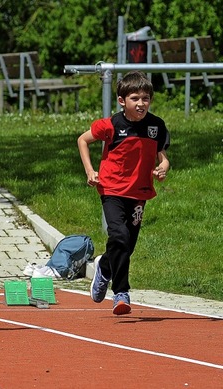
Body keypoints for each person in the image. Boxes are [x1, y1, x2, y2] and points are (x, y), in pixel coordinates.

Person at [77, 70, 170, 316]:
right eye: (135, 99)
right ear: (122, 101)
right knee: (118, 235)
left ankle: (105, 267)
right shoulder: (111, 125)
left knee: (127, 246)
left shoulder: (156, 126)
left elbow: (162, 156)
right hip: (112, 189)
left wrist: (163, 168)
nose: (141, 104)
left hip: (139, 192)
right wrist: (90, 170)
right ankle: (121, 293)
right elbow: (82, 140)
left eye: (145, 99)